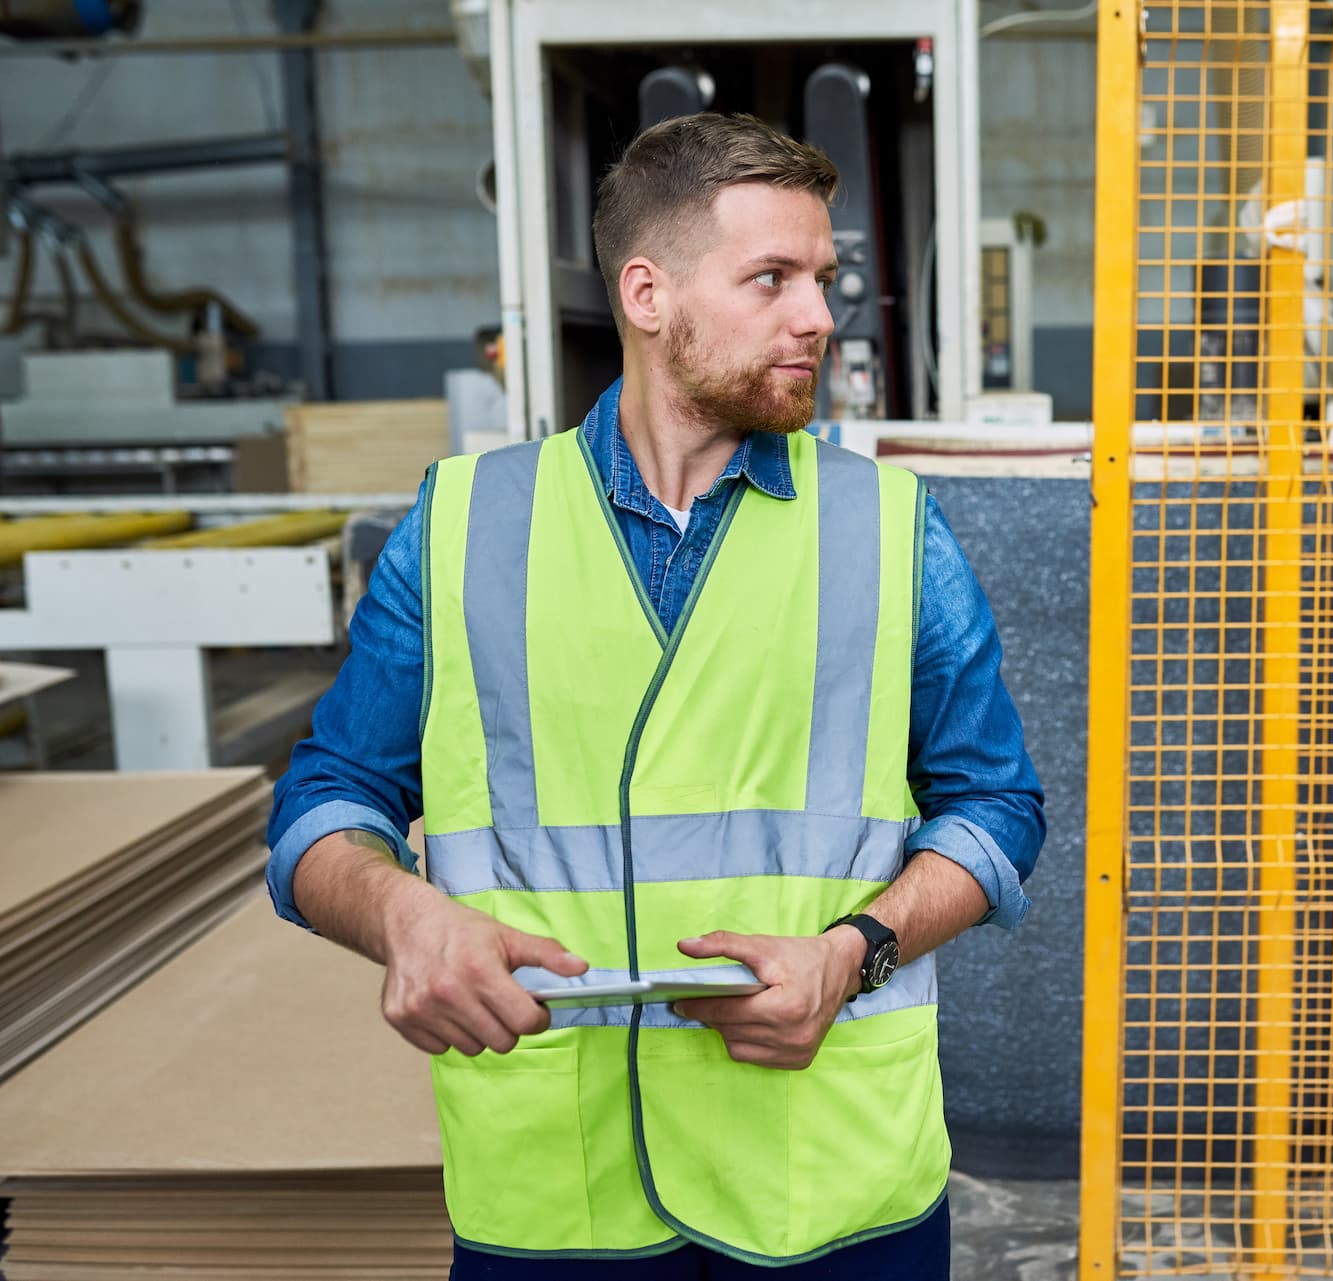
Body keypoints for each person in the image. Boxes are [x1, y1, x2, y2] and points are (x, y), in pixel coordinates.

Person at [265, 112, 1045, 1278]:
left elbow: (999, 808)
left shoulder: (889, 529)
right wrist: (404, 918)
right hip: (557, 1189)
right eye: (772, 278)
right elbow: (327, 798)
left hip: (824, 1178)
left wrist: (858, 952)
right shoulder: (467, 523)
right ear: (647, 293)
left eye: (823, 280)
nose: (820, 317)